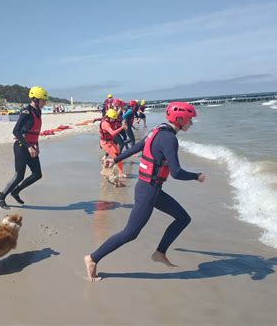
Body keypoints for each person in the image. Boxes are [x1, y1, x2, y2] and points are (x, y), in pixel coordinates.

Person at [84, 102, 207, 281]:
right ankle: (93, 258)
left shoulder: (158, 130)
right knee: (131, 233)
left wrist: (115, 159)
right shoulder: (169, 138)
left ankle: (160, 253)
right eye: (190, 120)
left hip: (152, 189)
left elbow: (137, 147)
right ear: (180, 119)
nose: (191, 123)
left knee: (183, 218)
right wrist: (197, 176)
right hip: (148, 190)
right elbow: (177, 172)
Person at [0, 86, 48, 209]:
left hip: (31, 146)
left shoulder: (38, 112)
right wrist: (29, 147)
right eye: (43, 100)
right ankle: (1, 197)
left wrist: (36, 145)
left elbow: (34, 131)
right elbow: (16, 131)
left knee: (37, 174)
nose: (45, 103)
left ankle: (16, 191)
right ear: (35, 99)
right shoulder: (26, 112)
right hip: (21, 146)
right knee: (19, 175)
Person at [99, 108, 127, 186]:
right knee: (117, 158)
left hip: (110, 142)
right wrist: (122, 128)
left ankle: (120, 172)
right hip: (105, 143)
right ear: (108, 117)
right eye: (113, 119)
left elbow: (117, 116)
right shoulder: (105, 124)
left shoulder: (111, 120)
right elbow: (112, 133)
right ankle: (105, 169)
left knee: (119, 157)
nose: (114, 120)